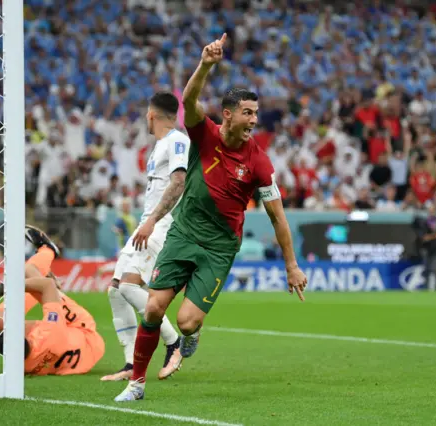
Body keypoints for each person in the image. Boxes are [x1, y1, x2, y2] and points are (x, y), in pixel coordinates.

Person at [115, 33, 307, 402]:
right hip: (183, 234)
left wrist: (291, 265)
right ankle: (136, 384)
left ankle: (190, 334)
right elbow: (188, 100)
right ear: (229, 114)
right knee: (154, 306)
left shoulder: (259, 163)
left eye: (256, 112)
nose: (253, 120)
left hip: (219, 248)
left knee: (187, 321)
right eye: (247, 112)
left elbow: (278, 217)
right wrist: (205, 64)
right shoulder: (205, 136)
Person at [102, 92, 189, 382]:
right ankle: (130, 364)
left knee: (128, 287)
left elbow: (179, 182)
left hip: (161, 226)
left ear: (151, 114)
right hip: (146, 223)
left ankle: (174, 343)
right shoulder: (159, 146)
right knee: (115, 290)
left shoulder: (177, 141)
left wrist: (153, 221)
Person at [0, 225, 105, 376]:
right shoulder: (49, 331)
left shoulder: (21, 368)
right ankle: (48, 249)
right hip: (85, 335)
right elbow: (48, 286)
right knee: (29, 271)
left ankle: (41, 278)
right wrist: (3, 288)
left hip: (69, 351)